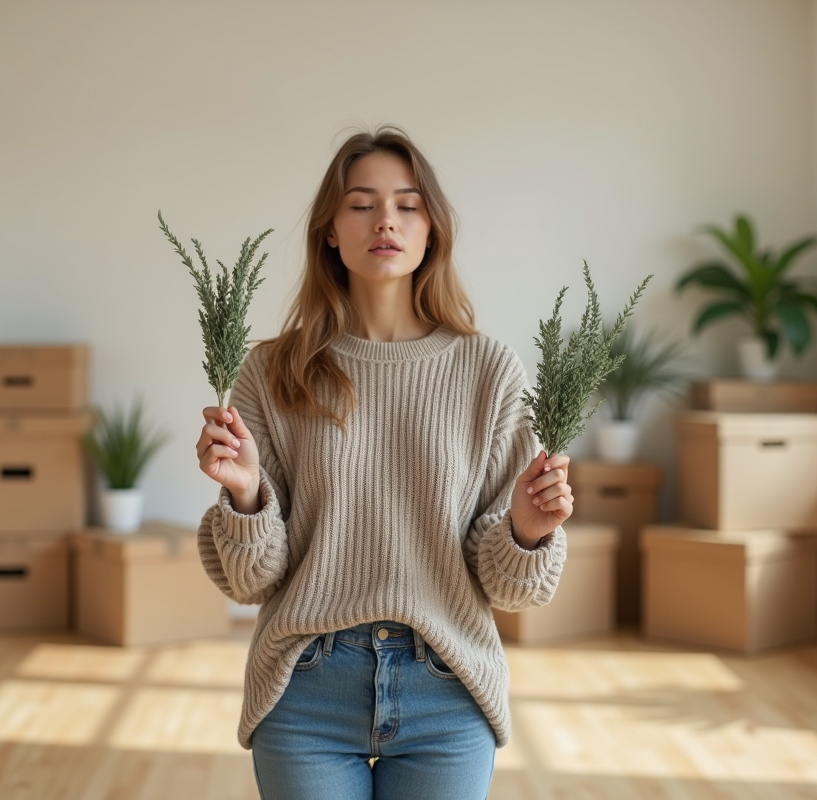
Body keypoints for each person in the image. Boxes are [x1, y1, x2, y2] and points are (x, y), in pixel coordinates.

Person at [194, 125, 572, 800]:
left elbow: (509, 589)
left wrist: (525, 530)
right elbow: (251, 581)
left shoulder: (488, 371)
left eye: (408, 204)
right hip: (305, 689)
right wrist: (247, 495)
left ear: (433, 229)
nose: (386, 221)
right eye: (362, 203)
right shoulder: (271, 370)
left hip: (447, 691)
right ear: (330, 231)